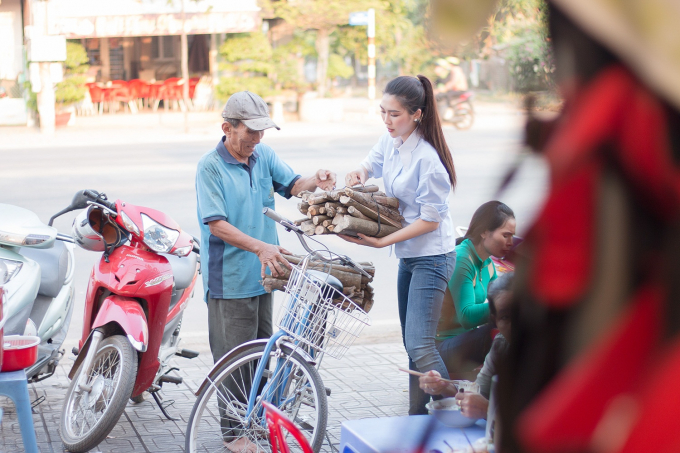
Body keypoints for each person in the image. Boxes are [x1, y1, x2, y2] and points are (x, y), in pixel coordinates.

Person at [195, 91, 336, 450]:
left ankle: (253, 420)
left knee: (260, 354)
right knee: (234, 359)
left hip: (265, 275)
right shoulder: (209, 167)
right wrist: (260, 246)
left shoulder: (263, 155)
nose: (257, 139)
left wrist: (316, 180)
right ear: (227, 128)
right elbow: (216, 224)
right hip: (229, 278)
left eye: (262, 132)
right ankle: (234, 434)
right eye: (250, 133)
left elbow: (293, 185)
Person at [343, 75, 457, 415]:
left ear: (417, 114)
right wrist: (358, 173)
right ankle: (417, 417)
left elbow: (430, 220)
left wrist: (382, 242)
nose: (387, 121)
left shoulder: (428, 160)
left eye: (395, 115)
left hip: (433, 257)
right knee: (413, 346)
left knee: (421, 345)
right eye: (383, 112)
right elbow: (371, 164)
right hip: (410, 256)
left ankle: (458, 405)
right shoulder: (390, 141)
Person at [436, 201, 515, 379]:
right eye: (506, 235)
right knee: (497, 327)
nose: (510, 242)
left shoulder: (487, 262)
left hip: (465, 341)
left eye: (512, 236)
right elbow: (467, 316)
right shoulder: (462, 258)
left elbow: (498, 297)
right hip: (444, 347)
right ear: (484, 232)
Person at [420, 272, 515, 420]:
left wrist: (488, 410)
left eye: (522, 310)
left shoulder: (553, 351)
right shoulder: (501, 346)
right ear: (494, 320)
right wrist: (442, 385)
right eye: (505, 317)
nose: (516, 323)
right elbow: (478, 393)